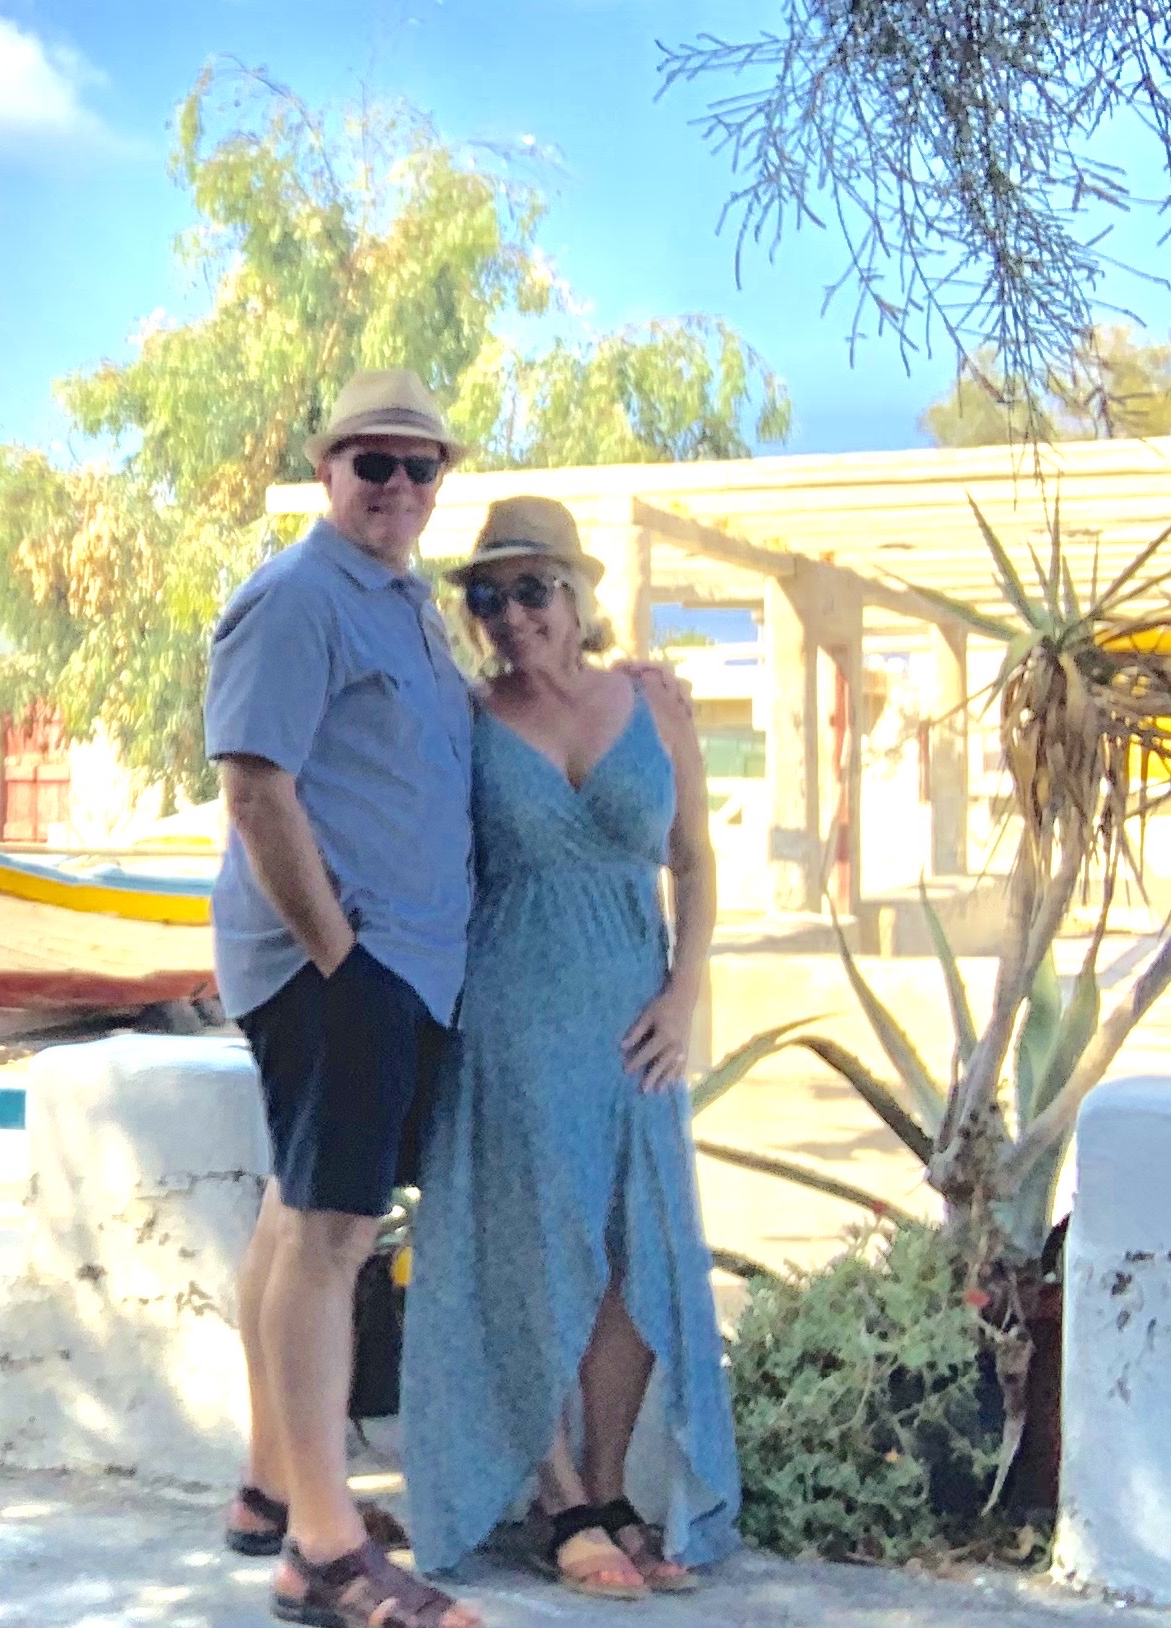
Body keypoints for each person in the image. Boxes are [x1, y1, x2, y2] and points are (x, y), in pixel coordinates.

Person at [400, 496, 741, 1600]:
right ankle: (557, 1496)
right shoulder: (463, 718)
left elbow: (694, 860)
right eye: (486, 595)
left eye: (533, 588)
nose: (511, 614)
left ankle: (605, 1483)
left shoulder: (653, 703)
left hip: (637, 1016)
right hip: (512, 1011)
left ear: (578, 594)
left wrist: (685, 995)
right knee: (533, 1244)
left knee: (634, 1247)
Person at [205, 368, 484, 1628]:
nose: (398, 485)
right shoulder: (298, 596)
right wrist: (336, 954)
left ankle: (274, 1484)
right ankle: (324, 1549)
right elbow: (254, 788)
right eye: (373, 461)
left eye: (420, 466)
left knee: (292, 1209)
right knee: (331, 1235)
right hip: (342, 966)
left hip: (392, 962)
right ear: (327, 470)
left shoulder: (405, 605)